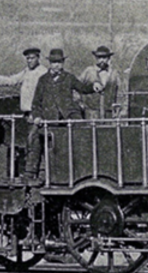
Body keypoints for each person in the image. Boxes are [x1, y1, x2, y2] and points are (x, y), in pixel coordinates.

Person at [25, 48, 103, 185]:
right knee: (34, 138)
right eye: (54, 62)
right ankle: (31, 173)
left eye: (59, 62)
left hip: (69, 116)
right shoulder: (43, 80)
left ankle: (85, 170)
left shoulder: (69, 77)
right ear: (50, 64)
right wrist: (37, 117)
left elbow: (82, 88)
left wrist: (94, 86)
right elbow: (36, 103)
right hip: (49, 119)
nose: (57, 65)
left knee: (82, 133)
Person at [0, 47, 47, 115]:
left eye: (32, 58)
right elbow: (11, 80)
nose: (29, 61)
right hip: (27, 112)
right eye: (28, 58)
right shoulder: (26, 71)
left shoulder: (43, 72)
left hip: (38, 113)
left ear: (38, 58)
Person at [78, 45, 125, 118]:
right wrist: (80, 103)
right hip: (91, 113)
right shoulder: (89, 71)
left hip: (109, 113)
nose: (102, 60)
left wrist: (118, 107)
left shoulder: (114, 74)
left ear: (109, 58)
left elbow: (120, 92)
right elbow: (76, 87)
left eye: (104, 57)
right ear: (96, 58)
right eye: (99, 57)